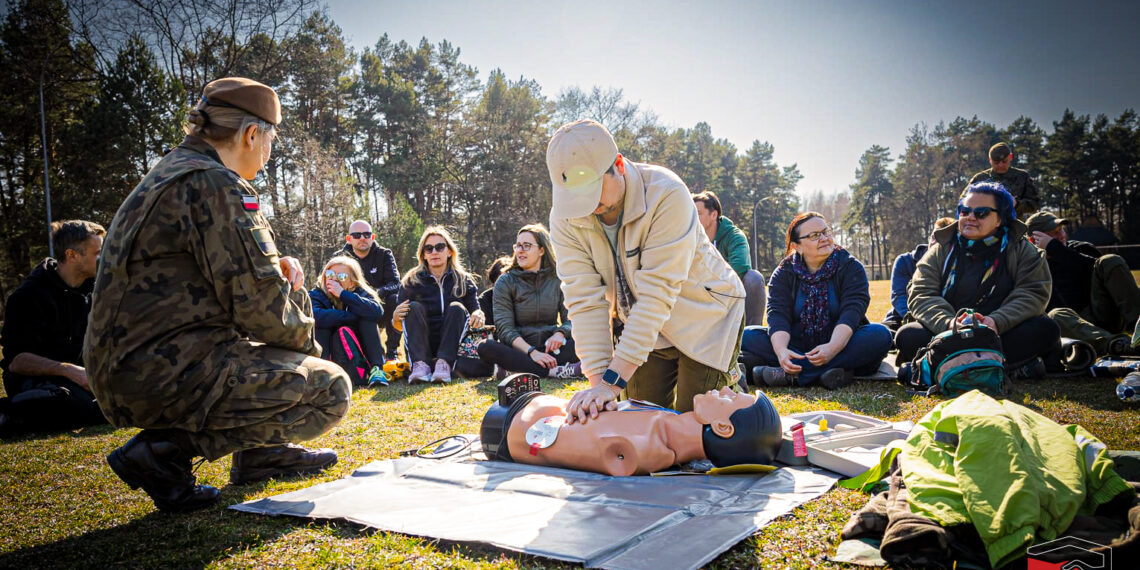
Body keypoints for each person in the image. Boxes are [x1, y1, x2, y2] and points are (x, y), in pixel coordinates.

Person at [85, 77, 350, 513]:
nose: (268, 154)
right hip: (163, 373)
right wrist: (306, 344)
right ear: (250, 135)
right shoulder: (214, 184)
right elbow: (266, 314)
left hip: (134, 366)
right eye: (270, 140)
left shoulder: (171, 172)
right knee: (329, 389)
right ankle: (164, 452)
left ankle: (263, 451)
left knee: (289, 323)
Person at [546, 119, 745, 423]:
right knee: (635, 421)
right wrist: (600, 384)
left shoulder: (667, 194)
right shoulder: (565, 217)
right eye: (576, 196)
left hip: (707, 319)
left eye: (594, 190)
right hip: (645, 330)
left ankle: (734, 394)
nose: (586, 206)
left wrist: (614, 382)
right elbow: (584, 300)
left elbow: (656, 295)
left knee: (694, 427)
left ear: (619, 165)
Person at [895, 182, 1060, 377]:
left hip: (1001, 331)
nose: (970, 217)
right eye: (964, 211)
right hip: (950, 333)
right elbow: (921, 293)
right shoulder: (942, 248)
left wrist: (995, 322)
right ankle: (1006, 367)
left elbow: (1032, 292)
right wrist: (950, 323)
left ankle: (950, 366)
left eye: (981, 212)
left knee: (1045, 329)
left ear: (1000, 219)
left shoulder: (1023, 250)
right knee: (907, 335)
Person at [481, 382, 782, 477]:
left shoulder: (644, 447)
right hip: (530, 413)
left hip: (517, 425)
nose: (725, 389)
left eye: (731, 398)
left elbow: (553, 440)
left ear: (722, 427)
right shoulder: (667, 428)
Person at [741, 213, 892, 389]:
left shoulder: (850, 267)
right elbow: (778, 315)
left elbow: (852, 312)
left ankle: (795, 376)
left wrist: (832, 348)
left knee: (880, 335)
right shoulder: (783, 272)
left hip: (842, 343)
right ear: (796, 246)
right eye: (814, 235)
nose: (824, 238)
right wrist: (782, 352)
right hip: (797, 345)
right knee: (747, 335)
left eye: (825, 232)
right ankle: (833, 372)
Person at [0, 220, 108, 435]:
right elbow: (17, 361)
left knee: (119, 401)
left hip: (81, 382)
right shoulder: (28, 297)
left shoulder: (95, 293)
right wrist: (68, 370)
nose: (105, 258)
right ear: (72, 255)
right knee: (74, 403)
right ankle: (6, 414)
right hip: (38, 383)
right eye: (98, 253)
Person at [476, 224, 581, 380]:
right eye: (518, 246)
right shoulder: (505, 281)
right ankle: (553, 371)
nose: (520, 250)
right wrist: (532, 352)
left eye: (527, 245)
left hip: (551, 348)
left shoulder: (558, 279)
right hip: (519, 349)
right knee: (485, 347)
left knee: (582, 341)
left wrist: (560, 333)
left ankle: (514, 370)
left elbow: (572, 317)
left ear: (541, 250)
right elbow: (505, 329)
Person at [1028, 211, 1140, 356]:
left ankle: (1138, 327)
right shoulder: (1030, 267)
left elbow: (1095, 269)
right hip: (1076, 326)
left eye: (1061, 230)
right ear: (1034, 240)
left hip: (1104, 311)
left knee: (1110, 260)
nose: (1062, 235)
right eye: (1054, 233)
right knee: (1055, 315)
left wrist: (1056, 249)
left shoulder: (1079, 248)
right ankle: (1119, 345)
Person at [390, 226, 484, 384]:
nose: (434, 252)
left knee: (457, 307)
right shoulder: (411, 281)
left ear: (449, 252)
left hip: (453, 344)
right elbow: (399, 327)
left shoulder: (464, 280)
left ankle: (444, 364)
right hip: (422, 345)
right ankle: (421, 365)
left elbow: (476, 312)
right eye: (429, 248)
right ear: (423, 255)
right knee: (413, 307)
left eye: (440, 247)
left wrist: (478, 314)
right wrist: (395, 318)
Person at [692, 191, 767, 325]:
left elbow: (740, 267)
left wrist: (710, 284)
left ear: (713, 214)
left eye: (698, 213)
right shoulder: (688, 237)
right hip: (698, 296)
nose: (693, 218)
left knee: (753, 278)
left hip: (728, 293)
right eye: (691, 213)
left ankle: (751, 332)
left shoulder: (734, 236)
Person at [309, 256, 387, 384]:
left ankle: (376, 370)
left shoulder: (359, 292)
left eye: (342, 277)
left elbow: (377, 311)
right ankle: (323, 372)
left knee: (367, 318)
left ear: (352, 283)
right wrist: (349, 317)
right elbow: (315, 315)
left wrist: (343, 295)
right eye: (330, 274)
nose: (334, 279)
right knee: (321, 323)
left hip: (357, 351)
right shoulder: (317, 294)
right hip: (331, 349)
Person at [337, 220, 401, 361]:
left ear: (372, 237)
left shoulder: (384, 254)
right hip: (353, 307)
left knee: (395, 300)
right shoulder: (340, 258)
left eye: (366, 234)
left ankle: (392, 353)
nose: (362, 238)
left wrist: (376, 294)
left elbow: (396, 283)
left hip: (381, 306)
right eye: (357, 235)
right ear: (349, 239)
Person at [882, 217, 956, 330]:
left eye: (940, 240)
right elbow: (899, 296)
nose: (934, 243)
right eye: (933, 237)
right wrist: (919, 318)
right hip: (903, 318)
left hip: (942, 319)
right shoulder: (904, 261)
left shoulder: (954, 264)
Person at [967, 142, 1040, 218]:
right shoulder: (980, 179)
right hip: (984, 226)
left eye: (1004, 161)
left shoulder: (1022, 177)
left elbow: (1035, 204)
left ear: (1011, 157)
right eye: (996, 162)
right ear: (990, 160)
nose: (1000, 165)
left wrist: (1017, 204)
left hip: (1013, 226)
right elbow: (963, 201)